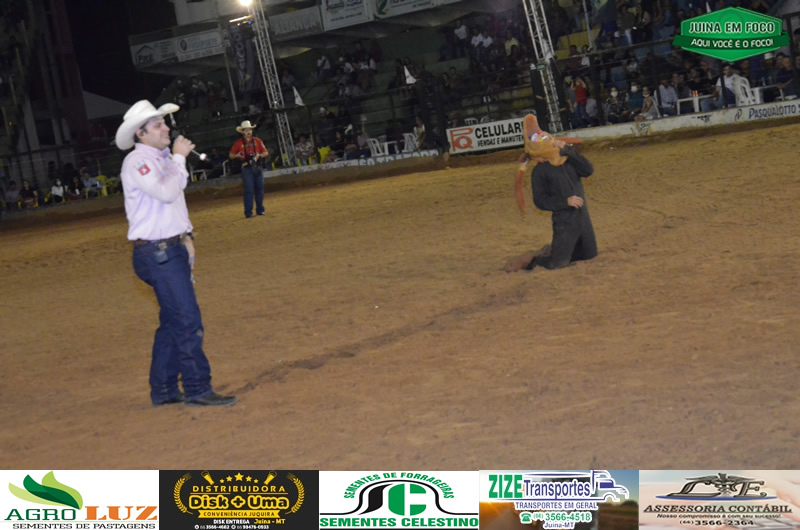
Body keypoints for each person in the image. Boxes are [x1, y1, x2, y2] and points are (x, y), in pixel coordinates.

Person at [115, 100, 236, 408]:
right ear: (141, 133)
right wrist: (180, 158)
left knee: (173, 320)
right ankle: (196, 388)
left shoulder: (161, 158)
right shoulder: (137, 162)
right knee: (186, 320)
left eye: (164, 123)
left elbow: (174, 203)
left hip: (167, 250)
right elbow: (167, 192)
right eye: (158, 125)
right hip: (158, 253)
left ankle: (165, 388)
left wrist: (187, 236)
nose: (166, 128)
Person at [512, 115, 597, 271]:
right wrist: (565, 201)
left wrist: (568, 150)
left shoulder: (568, 159)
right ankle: (535, 260)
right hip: (564, 223)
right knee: (557, 264)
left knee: (590, 255)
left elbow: (588, 170)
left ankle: (551, 249)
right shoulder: (539, 171)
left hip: (583, 220)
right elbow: (540, 200)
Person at [229, 120, 268, 218]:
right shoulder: (238, 143)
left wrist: (259, 155)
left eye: (249, 130)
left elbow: (265, 152)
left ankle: (260, 210)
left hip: (257, 166)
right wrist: (237, 155)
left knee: (260, 189)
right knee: (249, 190)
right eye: (246, 130)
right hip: (246, 168)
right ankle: (248, 212)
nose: (248, 132)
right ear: (243, 132)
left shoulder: (257, 141)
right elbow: (231, 155)